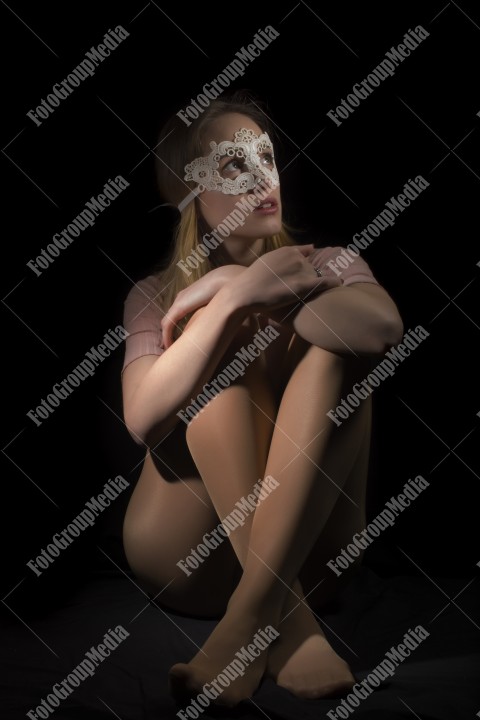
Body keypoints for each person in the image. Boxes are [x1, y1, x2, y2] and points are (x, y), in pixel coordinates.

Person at [120, 90, 404, 707]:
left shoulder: (326, 262)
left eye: (266, 157)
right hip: (187, 556)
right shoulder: (155, 294)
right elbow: (142, 419)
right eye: (232, 165)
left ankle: (249, 620)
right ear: (187, 191)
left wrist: (258, 288)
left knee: (339, 348)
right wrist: (229, 298)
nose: (262, 177)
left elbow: (383, 330)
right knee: (219, 375)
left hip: (315, 555)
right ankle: (291, 628)